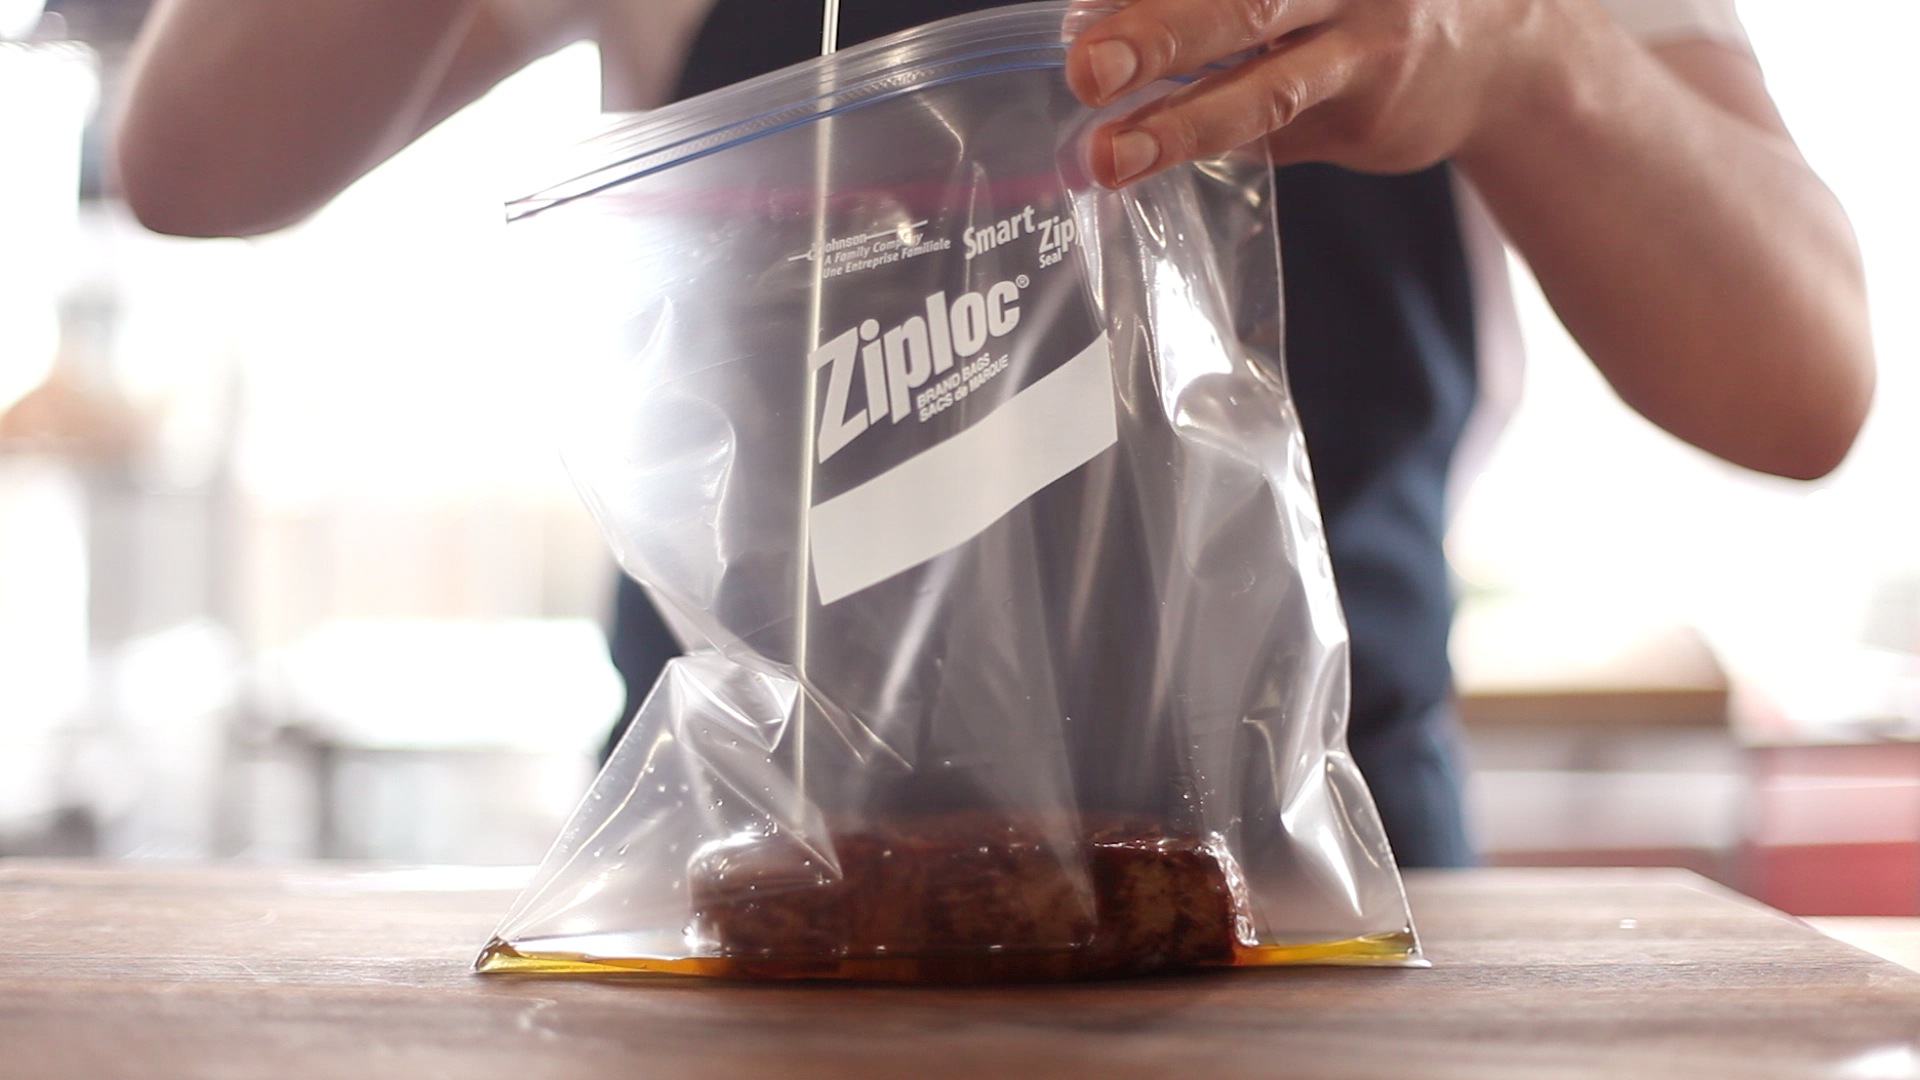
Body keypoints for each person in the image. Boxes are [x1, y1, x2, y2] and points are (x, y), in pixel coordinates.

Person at [115, 0, 1873, 868]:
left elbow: (1803, 377)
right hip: (755, 910)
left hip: (1324, 903)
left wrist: (1528, 56)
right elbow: (190, 157)